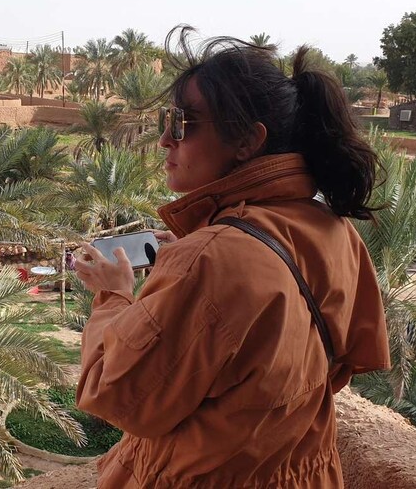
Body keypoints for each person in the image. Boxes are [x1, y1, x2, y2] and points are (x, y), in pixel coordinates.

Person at [73, 26, 390, 488]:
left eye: (182, 124)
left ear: (246, 141)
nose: (165, 140)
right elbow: (326, 364)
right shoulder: (333, 231)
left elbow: (116, 393)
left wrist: (113, 295)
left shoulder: (211, 258)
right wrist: (206, 248)